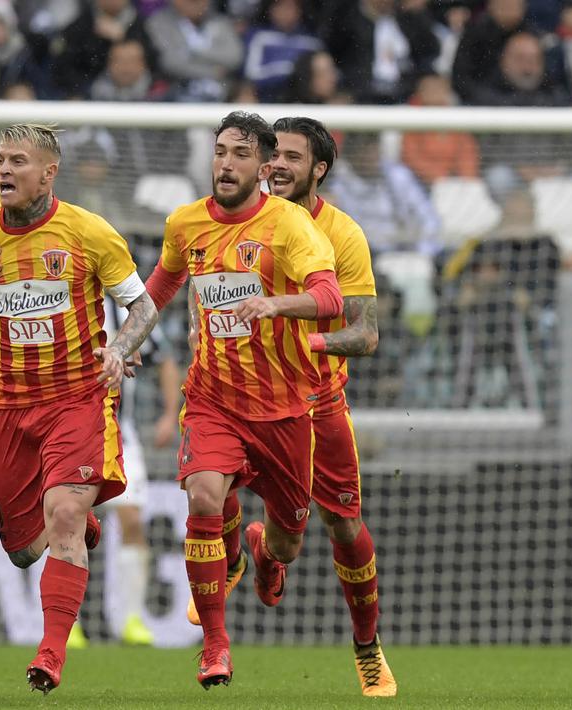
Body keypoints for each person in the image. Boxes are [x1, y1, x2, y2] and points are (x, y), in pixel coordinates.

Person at [0, 123, 158, 694]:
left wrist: (120, 349)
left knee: (63, 519)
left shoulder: (89, 232)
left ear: (49, 172)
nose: (3, 171)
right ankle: (79, 518)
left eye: (17, 161)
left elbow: (142, 306)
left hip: (76, 399)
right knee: (23, 550)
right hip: (8, 407)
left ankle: (50, 655)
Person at [142, 110, 342, 688]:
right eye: (220, 151)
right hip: (214, 398)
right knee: (204, 496)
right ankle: (214, 646)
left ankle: (263, 551)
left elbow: (328, 297)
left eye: (239, 154)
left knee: (289, 536)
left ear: (262, 167)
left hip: (283, 407)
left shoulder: (290, 225)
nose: (225, 163)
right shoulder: (185, 224)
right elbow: (161, 285)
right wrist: (127, 341)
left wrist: (276, 305)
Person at [268, 116, 394, 696]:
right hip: (237, 397)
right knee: (204, 485)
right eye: (272, 153)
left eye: (292, 156)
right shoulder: (234, 220)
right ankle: (230, 558)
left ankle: (367, 649)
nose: (277, 165)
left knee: (341, 527)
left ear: (318, 169)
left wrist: (309, 339)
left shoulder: (343, 234)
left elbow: (365, 335)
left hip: (316, 401)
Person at [69, 294, 182, 650]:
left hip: (120, 431)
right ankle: (68, 621)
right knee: (67, 521)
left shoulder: (123, 309)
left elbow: (163, 359)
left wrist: (168, 413)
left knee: (132, 521)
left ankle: (131, 618)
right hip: (70, 431)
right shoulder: (65, 305)